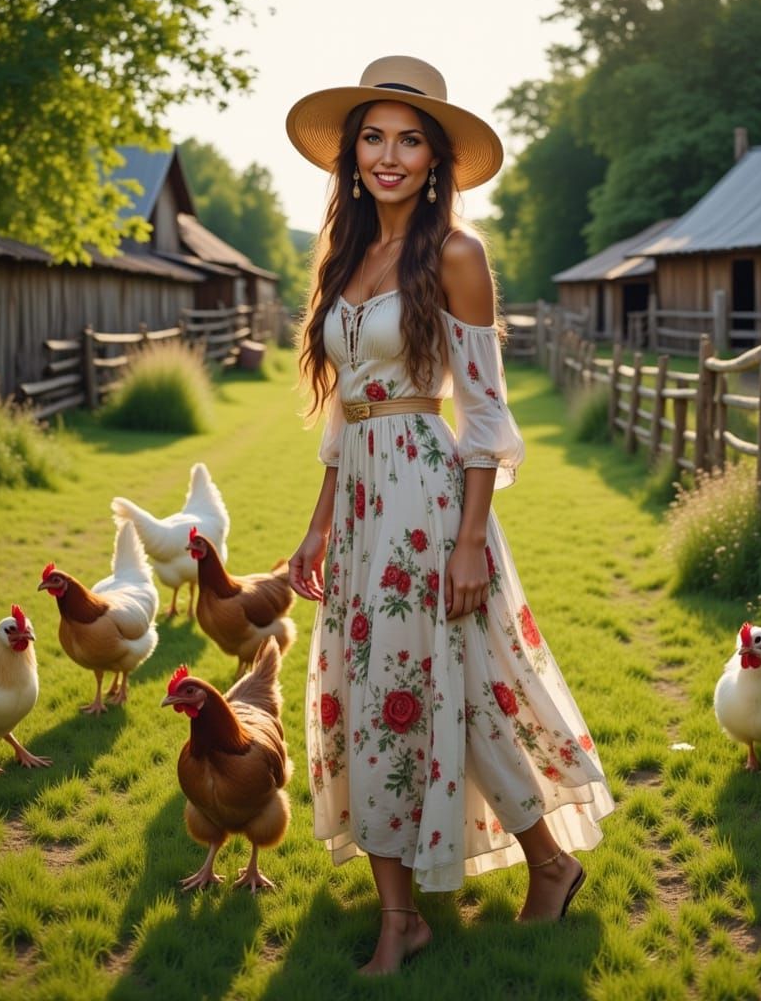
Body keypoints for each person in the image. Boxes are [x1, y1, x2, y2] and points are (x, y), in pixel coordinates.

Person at [286, 56, 614, 975]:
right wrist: (317, 524)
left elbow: (486, 411)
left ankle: (544, 864)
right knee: (365, 693)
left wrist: (470, 540)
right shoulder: (346, 258)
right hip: (356, 500)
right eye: (374, 137)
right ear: (353, 154)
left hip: (428, 505)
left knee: (449, 690)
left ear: (436, 160)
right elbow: (348, 406)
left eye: (411, 139)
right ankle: (406, 916)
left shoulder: (457, 257)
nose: (390, 155)